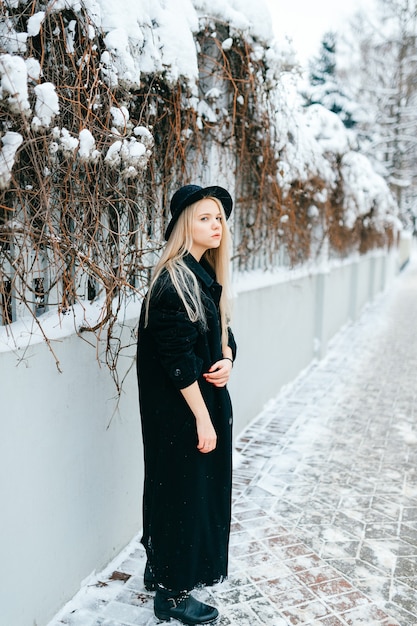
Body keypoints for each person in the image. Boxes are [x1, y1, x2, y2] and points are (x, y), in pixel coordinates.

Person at [136, 184, 237, 625]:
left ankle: (160, 567)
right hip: (182, 414)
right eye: (204, 218)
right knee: (181, 495)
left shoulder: (201, 275)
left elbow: (223, 334)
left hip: (197, 408)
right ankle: (172, 595)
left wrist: (228, 358)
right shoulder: (174, 281)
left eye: (218, 218)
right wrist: (202, 418)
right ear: (184, 226)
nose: (215, 226)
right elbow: (177, 362)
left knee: (180, 493)